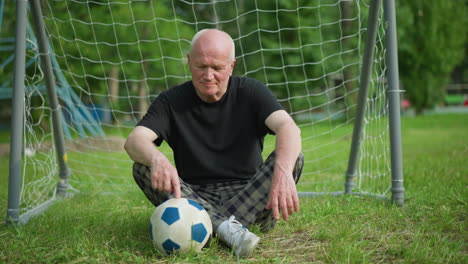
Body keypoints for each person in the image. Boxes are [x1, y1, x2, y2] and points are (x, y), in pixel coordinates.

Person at [124, 29, 304, 257]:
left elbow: (288, 128)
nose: (208, 76)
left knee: (292, 158)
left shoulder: (252, 91)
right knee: (142, 167)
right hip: (194, 199)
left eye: (217, 68)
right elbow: (134, 141)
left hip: (250, 196)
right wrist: (158, 158)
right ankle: (229, 230)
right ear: (189, 62)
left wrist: (284, 172)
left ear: (231, 66)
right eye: (201, 66)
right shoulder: (170, 101)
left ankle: (213, 227)